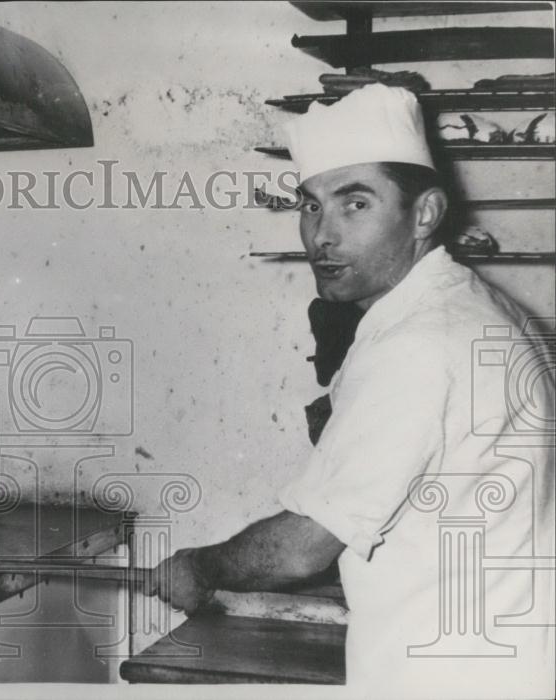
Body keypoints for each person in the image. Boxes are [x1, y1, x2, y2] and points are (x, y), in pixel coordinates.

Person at [146, 84, 555, 697]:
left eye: (355, 204)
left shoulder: (418, 340)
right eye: (311, 206)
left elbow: (302, 548)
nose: (323, 236)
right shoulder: (475, 308)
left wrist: (198, 567)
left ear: (425, 214)